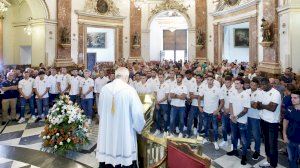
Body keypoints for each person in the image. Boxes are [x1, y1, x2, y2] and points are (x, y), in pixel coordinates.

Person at [96, 67, 145, 168]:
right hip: (124, 133)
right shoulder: (130, 90)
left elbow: (100, 111)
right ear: (126, 77)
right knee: (125, 154)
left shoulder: (105, 89)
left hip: (108, 132)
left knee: (108, 155)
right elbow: (138, 114)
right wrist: (139, 128)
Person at [257, 77, 282, 168]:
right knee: (266, 142)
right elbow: (257, 105)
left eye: (263, 85)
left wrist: (262, 105)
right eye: (261, 85)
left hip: (272, 122)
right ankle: (268, 161)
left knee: (272, 144)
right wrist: (265, 106)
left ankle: (273, 164)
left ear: (268, 83)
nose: (262, 87)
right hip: (263, 120)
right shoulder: (261, 92)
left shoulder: (276, 93)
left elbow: (272, 108)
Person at [227, 77, 250, 165]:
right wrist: (232, 115)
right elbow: (231, 104)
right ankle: (235, 150)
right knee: (233, 136)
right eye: (235, 83)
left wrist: (236, 117)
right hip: (233, 118)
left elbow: (245, 110)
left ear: (242, 85)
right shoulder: (233, 92)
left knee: (243, 139)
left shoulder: (245, 94)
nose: (235, 85)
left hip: (242, 121)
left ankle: (244, 156)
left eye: (237, 83)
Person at [199, 73, 224, 150]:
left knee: (215, 128)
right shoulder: (204, 88)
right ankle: (206, 138)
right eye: (208, 80)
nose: (209, 81)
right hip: (205, 111)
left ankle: (215, 141)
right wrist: (199, 106)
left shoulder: (217, 89)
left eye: (211, 80)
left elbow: (222, 101)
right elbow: (199, 98)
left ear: (213, 80)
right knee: (206, 126)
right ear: (206, 81)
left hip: (214, 113)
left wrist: (217, 110)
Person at [246, 77, 262, 160]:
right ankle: (248, 145)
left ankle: (257, 151)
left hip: (255, 117)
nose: (252, 86)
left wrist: (248, 102)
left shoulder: (260, 93)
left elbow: (256, 106)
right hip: (247, 115)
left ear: (257, 85)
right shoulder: (247, 91)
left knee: (256, 135)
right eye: (251, 84)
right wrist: (251, 102)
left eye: (254, 85)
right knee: (247, 132)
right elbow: (243, 102)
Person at [283, 90, 300, 168]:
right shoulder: (289, 108)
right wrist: (284, 134)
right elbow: (286, 120)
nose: (292, 99)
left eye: (295, 98)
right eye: (291, 97)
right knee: (291, 159)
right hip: (290, 139)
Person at [169, 74, 188, 138]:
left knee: (181, 120)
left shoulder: (184, 87)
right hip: (174, 106)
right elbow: (171, 96)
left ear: (182, 78)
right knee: (172, 120)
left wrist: (176, 95)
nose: (178, 78)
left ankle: (181, 132)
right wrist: (179, 95)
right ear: (176, 78)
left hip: (181, 106)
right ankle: (171, 132)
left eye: (179, 77)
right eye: (177, 77)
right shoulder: (173, 86)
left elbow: (183, 97)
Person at [219, 75, 235, 147]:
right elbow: (221, 99)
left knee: (233, 127)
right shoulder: (223, 87)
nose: (226, 84)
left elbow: (235, 101)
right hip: (224, 110)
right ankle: (225, 140)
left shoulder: (235, 88)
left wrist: (229, 109)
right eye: (225, 82)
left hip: (232, 111)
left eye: (228, 82)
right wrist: (224, 109)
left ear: (231, 82)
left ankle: (233, 142)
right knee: (224, 126)